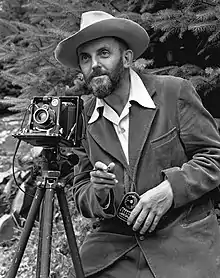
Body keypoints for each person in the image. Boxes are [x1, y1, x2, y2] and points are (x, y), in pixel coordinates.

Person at [54, 10, 220, 278]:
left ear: (128, 58)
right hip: (115, 247)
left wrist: (170, 190)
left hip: (181, 239)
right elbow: (81, 193)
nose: (94, 64)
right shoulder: (83, 118)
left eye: (104, 53)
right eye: (85, 58)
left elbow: (213, 156)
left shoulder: (173, 92)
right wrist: (99, 192)